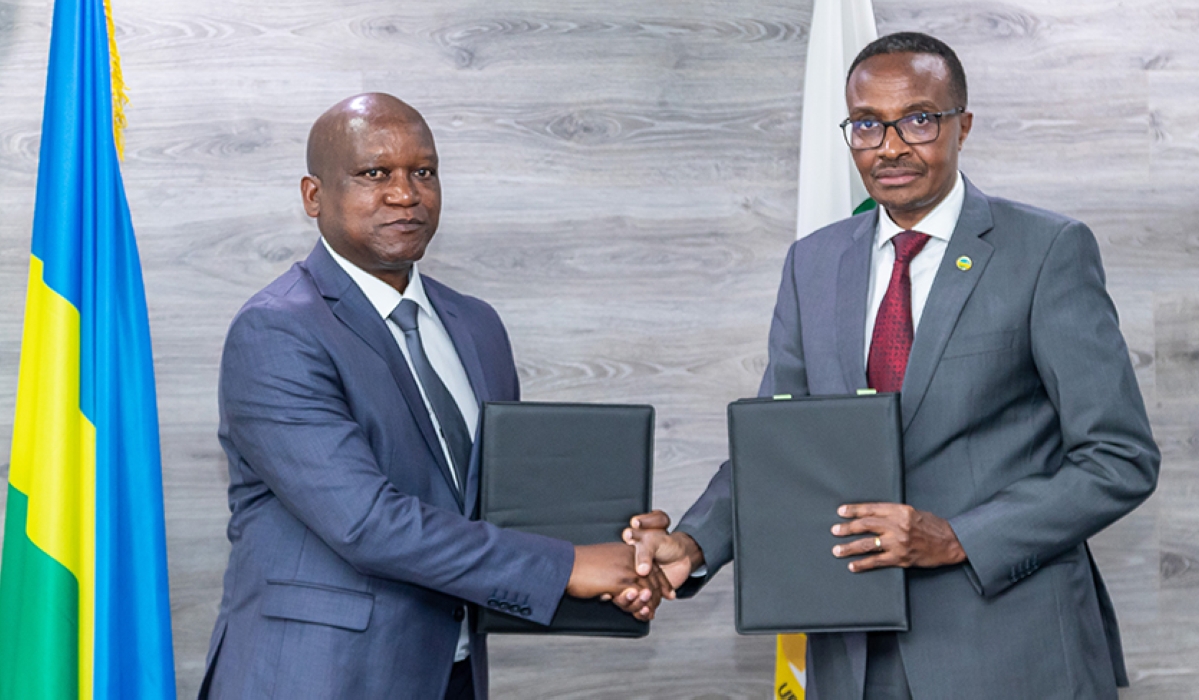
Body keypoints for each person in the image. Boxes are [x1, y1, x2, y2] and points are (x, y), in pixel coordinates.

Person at [626, 32, 1159, 699]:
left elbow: (1118, 457)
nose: (890, 146)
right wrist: (695, 544)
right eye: (866, 126)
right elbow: (780, 446)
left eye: (917, 119)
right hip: (851, 654)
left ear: (961, 125)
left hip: (1011, 655)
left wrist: (958, 536)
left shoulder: (1045, 251)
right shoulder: (814, 263)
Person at [199, 93, 666, 699]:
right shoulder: (277, 330)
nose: (405, 193)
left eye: (424, 172)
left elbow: (503, 508)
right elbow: (365, 522)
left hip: (453, 675)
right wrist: (571, 565)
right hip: (316, 677)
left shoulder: (476, 326)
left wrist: (618, 546)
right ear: (314, 196)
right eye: (375, 174)